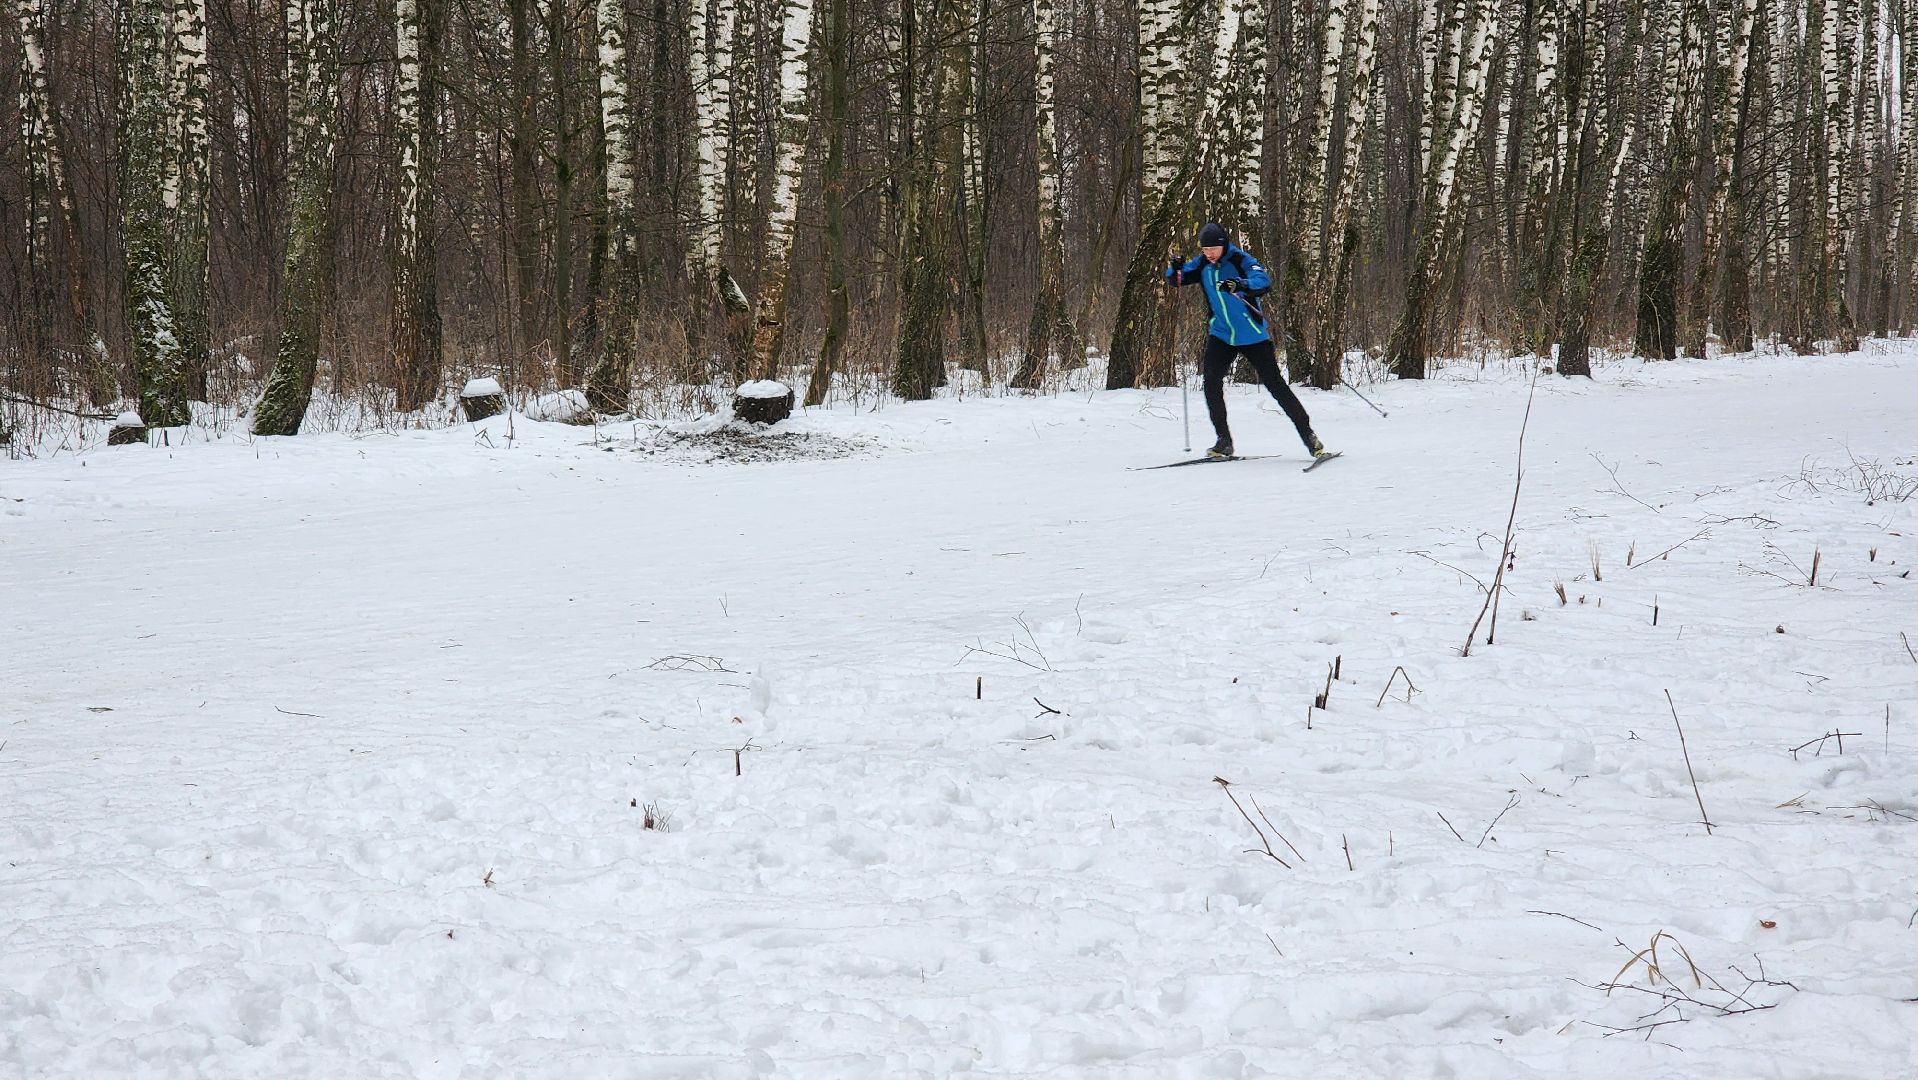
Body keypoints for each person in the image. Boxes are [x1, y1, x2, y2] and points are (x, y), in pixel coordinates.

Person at [1165, 222, 1328, 460]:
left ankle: (1309, 436)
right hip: (1221, 334)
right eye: (1205, 249)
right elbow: (1178, 279)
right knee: (1211, 383)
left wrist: (1241, 284)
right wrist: (1175, 268)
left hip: (1252, 335)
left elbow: (1263, 281)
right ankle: (1223, 441)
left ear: (1223, 246)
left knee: (1275, 385)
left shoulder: (1240, 260)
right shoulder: (1202, 264)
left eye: (1213, 249)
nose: (1209, 253)